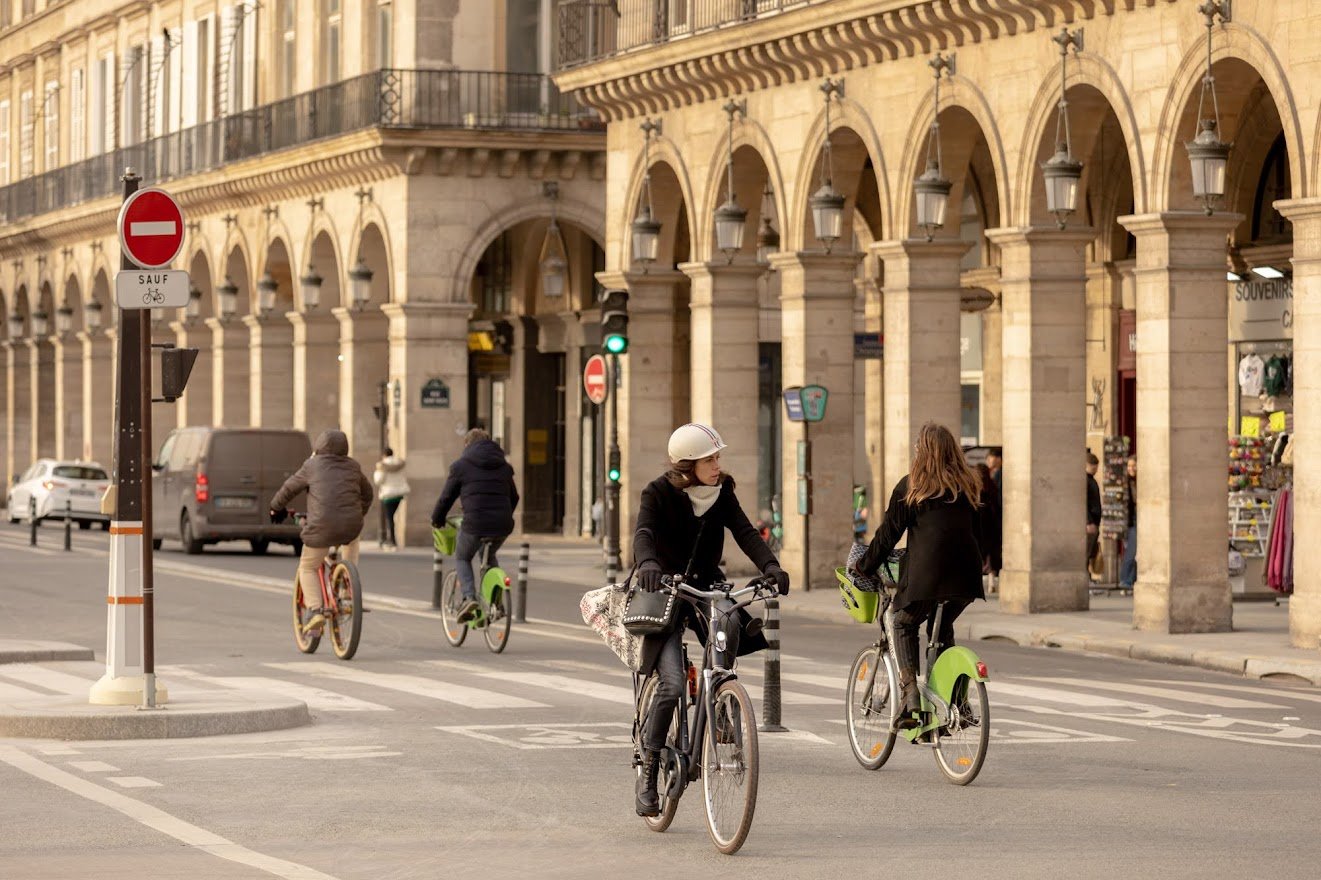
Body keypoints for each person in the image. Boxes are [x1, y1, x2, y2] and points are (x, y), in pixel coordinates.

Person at [631, 423, 790, 818]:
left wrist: (771, 565)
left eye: (718, 457)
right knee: (669, 685)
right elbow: (643, 534)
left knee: (730, 628)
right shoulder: (657, 493)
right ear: (689, 465)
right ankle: (649, 773)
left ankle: (719, 703)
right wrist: (647, 563)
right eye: (710, 459)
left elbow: (746, 532)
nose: (718, 465)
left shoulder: (722, 493)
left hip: (705, 589)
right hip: (665, 591)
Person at [852, 422, 984, 731]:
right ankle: (958, 703)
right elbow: (977, 532)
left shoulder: (913, 486)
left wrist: (864, 566)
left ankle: (910, 698)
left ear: (923, 452)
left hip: (928, 574)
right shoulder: (967, 484)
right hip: (967, 576)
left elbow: (888, 536)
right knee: (943, 628)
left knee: (904, 623)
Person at [269, 429, 374, 634]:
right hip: (351, 525)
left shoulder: (312, 465)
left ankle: (315, 610)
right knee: (351, 543)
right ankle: (346, 590)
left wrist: (275, 507)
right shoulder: (353, 466)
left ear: (319, 446)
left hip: (322, 526)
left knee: (307, 567)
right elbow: (368, 493)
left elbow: (289, 488)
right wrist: (358, 513)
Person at [430, 428, 519, 624]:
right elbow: (514, 497)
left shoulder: (461, 466)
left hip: (475, 523)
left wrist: (437, 519)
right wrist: (502, 516)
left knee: (463, 557)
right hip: (503, 524)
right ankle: (496, 603)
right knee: (489, 555)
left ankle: (469, 598)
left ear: (467, 445)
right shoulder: (503, 465)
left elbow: (446, 498)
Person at [373, 447, 410, 551]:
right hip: (399, 493)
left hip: (388, 494)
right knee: (392, 516)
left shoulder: (382, 465)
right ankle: (391, 539)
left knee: (389, 517)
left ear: (384, 455)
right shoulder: (400, 463)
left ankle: (392, 541)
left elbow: (378, 480)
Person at [974, 462, 1002, 592]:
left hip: (979, 528)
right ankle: (991, 583)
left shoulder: (974, 490)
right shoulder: (993, 487)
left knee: (978, 555)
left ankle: (978, 584)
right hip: (992, 528)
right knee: (991, 556)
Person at [1119, 455, 1138, 591]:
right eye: (1129, 466)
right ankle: (1125, 580)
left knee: (1138, 553)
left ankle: (1131, 580)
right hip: (1131, 520)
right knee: (1131, 551)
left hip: (1142, 519)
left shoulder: (1141, 481)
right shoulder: (1125, 483)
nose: (1131, 468)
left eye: (1134, 465)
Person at [1086, 452, 1103, 580]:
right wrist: (1088, 522)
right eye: (1093, 467)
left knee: (1090, 552)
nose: (1095, 470)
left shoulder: (1091, 480)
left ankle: (1088, 576)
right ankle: (1086, 577)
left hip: (1094, 522)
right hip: (1090, 523)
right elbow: (1084, 503)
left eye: (1096, 467)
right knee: (1086, 553)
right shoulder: (1086, 480)